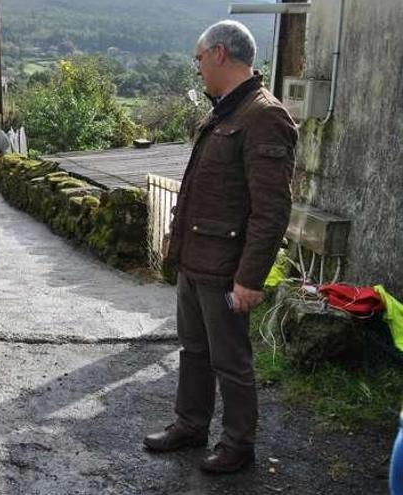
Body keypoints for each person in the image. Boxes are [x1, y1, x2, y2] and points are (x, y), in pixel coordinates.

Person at [143, 20, 297, 474]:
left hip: (228, 270)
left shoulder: (263, 115)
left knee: (231, 360)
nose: (196, 68)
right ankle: (190, 425)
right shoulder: (224, 111)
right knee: (194, 350)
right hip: (198, 262)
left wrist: (250, 278)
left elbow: (271, 211)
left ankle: (238, 444)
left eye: (198, 59)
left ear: (220, 55)